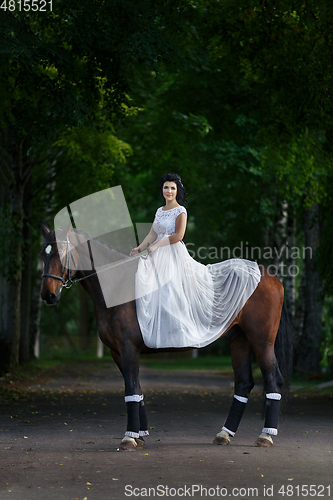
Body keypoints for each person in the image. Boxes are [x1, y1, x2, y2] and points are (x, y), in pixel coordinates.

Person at [131, 173, 261, 349]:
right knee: (148, 284)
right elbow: (152, 234)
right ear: (161, 189)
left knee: (171, 288)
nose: (168, 191)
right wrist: (140, 247)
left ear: (177, 191)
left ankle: (180, 330)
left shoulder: (180, 211)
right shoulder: (159, 211)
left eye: (172, 188)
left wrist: (157, 245)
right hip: (157, 253)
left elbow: (178, 236)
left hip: (172, 253)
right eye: (166, 187)